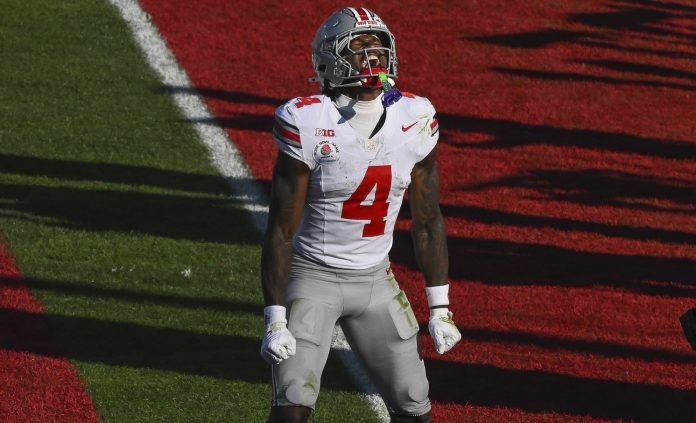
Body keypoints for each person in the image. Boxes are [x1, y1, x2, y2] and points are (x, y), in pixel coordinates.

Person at [260, 7, 462, 423]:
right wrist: (275, 317)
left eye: (378, 46)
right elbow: (281, 228)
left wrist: (440, 307)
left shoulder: (415, 117)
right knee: (293, 402)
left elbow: (426, 220)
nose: (373, 56)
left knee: (414, 401)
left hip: (376, 280)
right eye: (359, 47)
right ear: (329, 61)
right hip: (313, 276)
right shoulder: (309, 120)